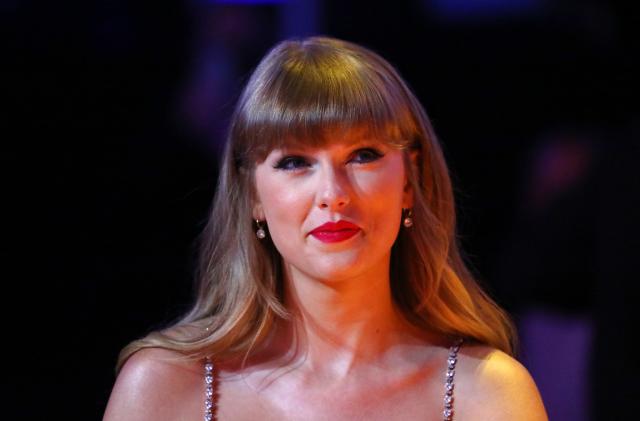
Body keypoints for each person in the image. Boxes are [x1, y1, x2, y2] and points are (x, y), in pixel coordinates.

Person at [104, 36, 547, 421]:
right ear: (252, 195)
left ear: (410, 181)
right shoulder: (164, 387)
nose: (333, 194)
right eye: (295, 162)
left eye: (363, 155)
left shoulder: (487, 393)